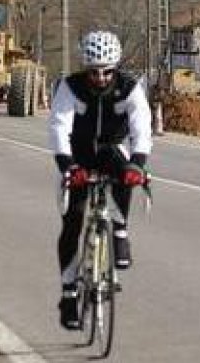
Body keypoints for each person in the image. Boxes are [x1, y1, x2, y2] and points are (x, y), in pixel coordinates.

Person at [47, 30, 152, 331]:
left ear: (115, 67)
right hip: (78, 157)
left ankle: (119, 231)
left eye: (107, 72)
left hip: (111, 151)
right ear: (86, 68)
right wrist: (67, 166)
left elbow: (142, 129)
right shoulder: (70, 87)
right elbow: (58, 128)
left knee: (126, 172)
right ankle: (68, 294)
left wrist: (139, 164)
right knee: (73, 220)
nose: (101, 78)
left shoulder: (130, 88)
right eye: (94, 72)